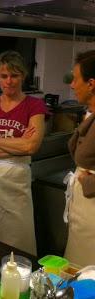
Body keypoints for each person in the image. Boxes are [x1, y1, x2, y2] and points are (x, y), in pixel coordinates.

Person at [0, 50, 47, 255]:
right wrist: (17, 146)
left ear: (23, 76)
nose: (9, 81)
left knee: (18, 238)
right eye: (4, 76)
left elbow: (31, 147)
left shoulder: (34, 105)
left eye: (14, 75)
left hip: (16, 184)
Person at [63, 50, 95, 266]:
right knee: (76, 267)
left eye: (75, 79)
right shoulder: (89, 112)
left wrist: (88, 181)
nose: (72, 85)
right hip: (83, 212)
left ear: (91, 83)